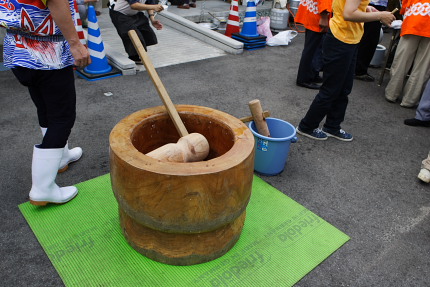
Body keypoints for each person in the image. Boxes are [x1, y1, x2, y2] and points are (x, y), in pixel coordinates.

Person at [1, 0, 91, 205]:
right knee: (62, 117)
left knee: (44, 105)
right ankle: (43, 188)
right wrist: (76, 44)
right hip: (47, 51)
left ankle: (61, 157)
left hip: (18, 48)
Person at [296, 0, 395, 141]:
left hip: (349, 39)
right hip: (340, 40)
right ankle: (306, 126)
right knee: (331, 89)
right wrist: (380, 16)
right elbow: (348, 13)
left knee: (344, 87)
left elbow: (346, 5)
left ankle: (332, 126)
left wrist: (365, 7)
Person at [385, 0, 430, 108]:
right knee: (422, 67)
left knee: (401, 61)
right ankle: (410, 100)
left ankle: (392, 93)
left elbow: (404, 7)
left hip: (413, 21)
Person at [295, 0, 332, 90]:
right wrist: (324, 17)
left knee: (315, 49)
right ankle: (303, 79)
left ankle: (312, 74)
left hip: (313, 12)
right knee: (311, 50)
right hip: (317, 16)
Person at [354, 0, 388, 81]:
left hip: (373, 4)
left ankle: (357, 68)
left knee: (366, 37)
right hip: (374, 4)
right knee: (369, 39)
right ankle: (359, 70)